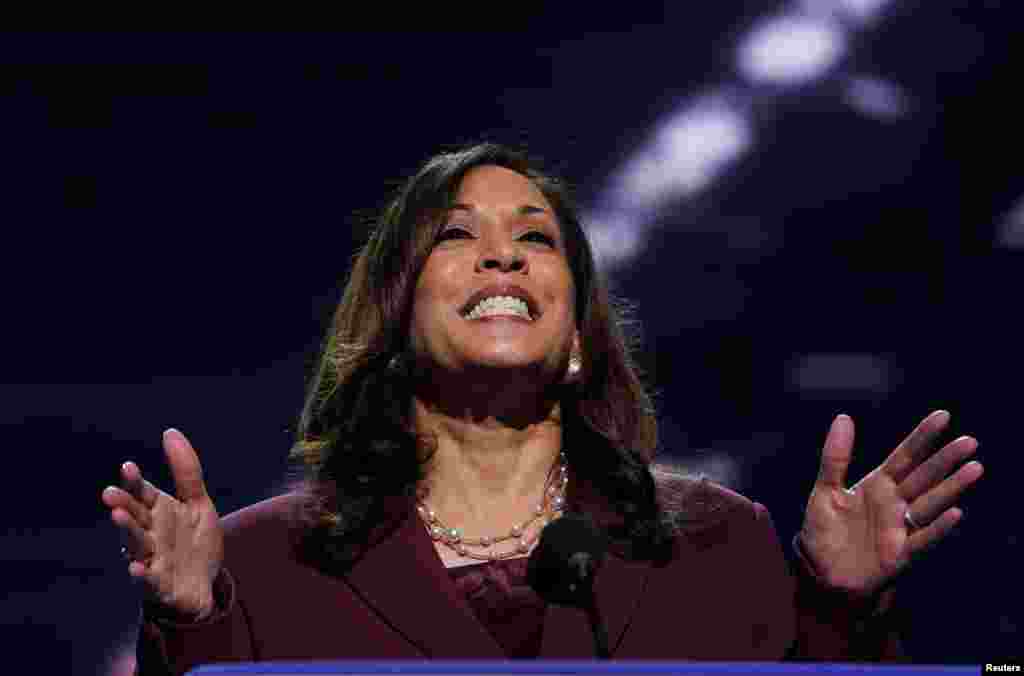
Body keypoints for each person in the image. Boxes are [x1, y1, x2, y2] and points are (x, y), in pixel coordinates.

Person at [100, 143, 984, 675]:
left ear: (575, 336)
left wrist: (839, 605)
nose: (503, 259)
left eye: (535, 237)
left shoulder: (717, 542)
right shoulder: (264, 563)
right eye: (455, 235)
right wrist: (187, 622)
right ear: (397, 319)